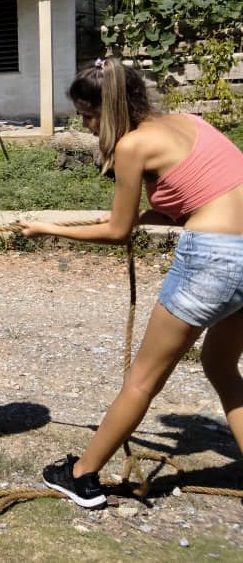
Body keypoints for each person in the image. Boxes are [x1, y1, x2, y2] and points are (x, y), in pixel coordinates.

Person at [20, 58, 243, 508]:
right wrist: (149, 214)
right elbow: (208, 191)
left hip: (215, 259)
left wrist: (48, 229)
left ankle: (82, 476)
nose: (86, 125)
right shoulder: (189, 123)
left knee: (142, 379)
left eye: (87, 115)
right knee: (221, 366)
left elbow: (117, 232)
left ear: (110, 108)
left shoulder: (132, 146)